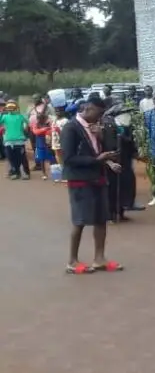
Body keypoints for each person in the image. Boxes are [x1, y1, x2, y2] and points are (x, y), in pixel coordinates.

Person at [60, 93, 124, 274]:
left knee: (101, 219)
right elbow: (69, 159)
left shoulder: (95, 127)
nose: (100, 117)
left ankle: (99, 259)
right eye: (98, 112)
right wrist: (97, 160)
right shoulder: (71, 128)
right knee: (79, 221)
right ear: (88, 108)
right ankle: (72, 261)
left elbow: (105, 150)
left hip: (98, 178)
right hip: (80, 181)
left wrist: (105, 148)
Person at [1, 100, 31, 179]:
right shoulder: (5, 116)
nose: (10, 108)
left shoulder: (20, 116)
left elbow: (28, 122)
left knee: (22, 158)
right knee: (12, 158)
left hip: (19, 141)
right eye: (9, 107)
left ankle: (26, 173)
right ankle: (16, 173)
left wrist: (25, 127)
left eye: (12, 106)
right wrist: (2, 112)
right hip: (9, 141)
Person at [31, 109, 56, 180]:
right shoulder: (36, 125)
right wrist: (45, 129)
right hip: (40, 145)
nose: (40, 120)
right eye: (39, 118)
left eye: (42, 118)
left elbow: (51, 131)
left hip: (48, 144)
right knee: (42, 160)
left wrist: (46, 129)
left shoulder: (48, 124)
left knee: (52, 159)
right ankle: (44, 174)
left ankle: (54, 173)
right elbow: (36, 132)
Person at [51, 106, 69, 181]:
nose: (57, 113)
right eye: (56, 111)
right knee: (57, 157)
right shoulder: (54, 120)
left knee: (64, 157)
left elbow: (67, 131)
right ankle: (61, 173)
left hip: (63, 141)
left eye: (59, 111)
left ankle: (67, 174)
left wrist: (59, 131)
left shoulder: (66, 120)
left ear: (63, 112)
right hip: (55, 141)